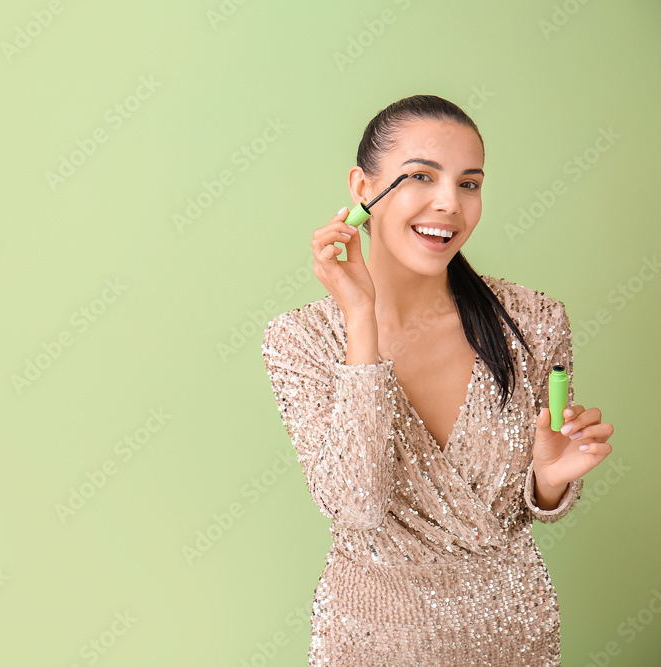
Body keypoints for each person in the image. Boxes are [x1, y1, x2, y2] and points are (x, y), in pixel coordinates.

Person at [261, 94, 614, 665]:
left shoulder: (534, 322)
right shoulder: (299, 340)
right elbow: (356, 508)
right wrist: (360, 319)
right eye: (420, 176)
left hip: (513, 632)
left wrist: (549, 482)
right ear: (360, 190)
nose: (449, 203)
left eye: (469, 184)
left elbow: (536, 504)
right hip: (371, 639)